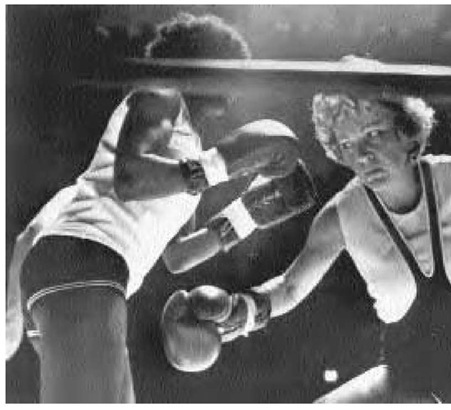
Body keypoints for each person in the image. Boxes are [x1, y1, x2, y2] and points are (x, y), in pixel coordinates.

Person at [162, 86, 451, 402]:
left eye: (374, 133)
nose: (364, 153)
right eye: (349, 144)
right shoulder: (341, 216)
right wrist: (234, 313)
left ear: (409, 135)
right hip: (411, 380)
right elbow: (289, 289)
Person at [5, 12, 309, 402]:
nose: (234, 93)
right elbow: (129, 178)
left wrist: (249, 212)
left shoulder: (188, 151)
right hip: (85, 259)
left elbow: (177, 256)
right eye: (230, 74)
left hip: (92, 273)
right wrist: (222, 163)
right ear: (203, 65)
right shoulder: (161, 93)